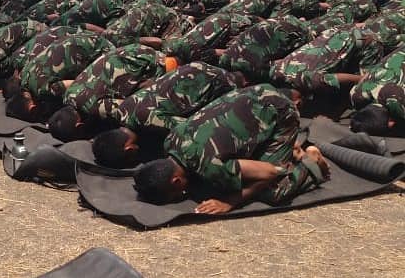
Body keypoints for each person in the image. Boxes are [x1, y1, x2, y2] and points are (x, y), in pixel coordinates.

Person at [133, 85, 330, 214]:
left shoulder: (211, 166)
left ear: (176, 181)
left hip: (281, 112)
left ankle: (310, 159)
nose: (183, 194)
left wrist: (231, 202)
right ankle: (287, 147)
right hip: (251, 94)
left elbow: (269, 172)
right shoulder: (170, 141)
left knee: (274, 191)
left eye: (176, 194)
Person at [96, 63, 246, 168]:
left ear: (129, 149)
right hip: (189, 71)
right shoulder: (121, 111)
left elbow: (192, 127)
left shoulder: (151, 120)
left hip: (211, 79)